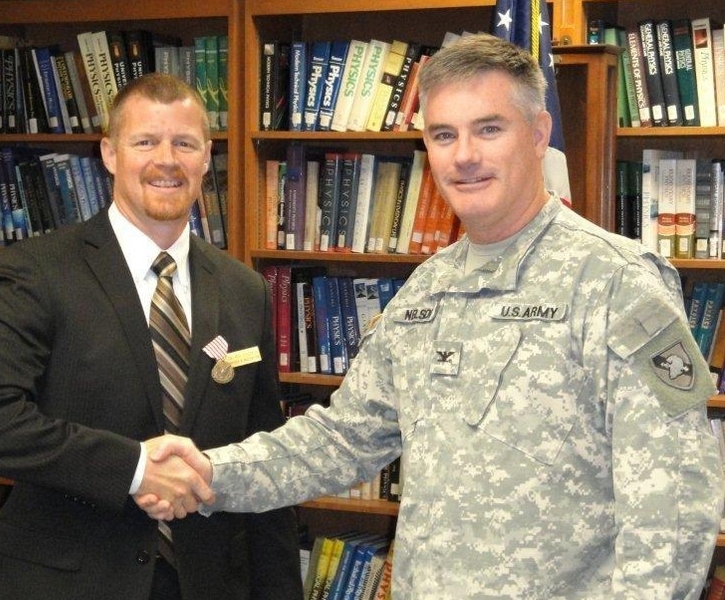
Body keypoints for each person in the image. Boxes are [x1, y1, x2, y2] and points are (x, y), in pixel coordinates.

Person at [140, 34, 725, 599]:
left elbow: (674, 506)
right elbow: (342, 439)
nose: (464, 156)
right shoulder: (428, 290)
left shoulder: (618, 282)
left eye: (488, 129)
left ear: (539, 134)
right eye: (444, 135)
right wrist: (209, 472)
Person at [0, 73, 303, 600]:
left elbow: (266, 464)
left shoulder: (243, 290)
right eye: (145, 142)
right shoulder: (40, 271)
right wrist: (133, 469)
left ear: (207, 157)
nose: (167, 160)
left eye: (184, 143)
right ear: (109, 153)